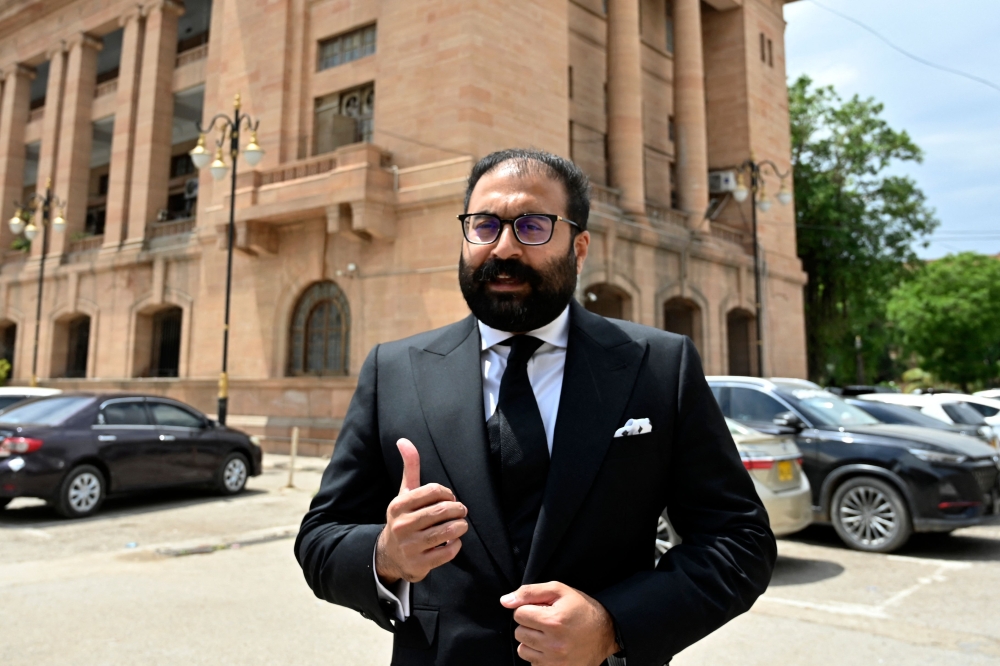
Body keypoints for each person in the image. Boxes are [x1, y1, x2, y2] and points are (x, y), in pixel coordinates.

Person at [295, 148, 775, 666]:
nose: (503, 248)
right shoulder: (394, 371)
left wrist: (614, 626)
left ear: (580, 246)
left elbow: (739, 542)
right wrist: (386, 555)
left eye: (532, 226)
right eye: (484, 226)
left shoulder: (658, 365)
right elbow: (321, 541)